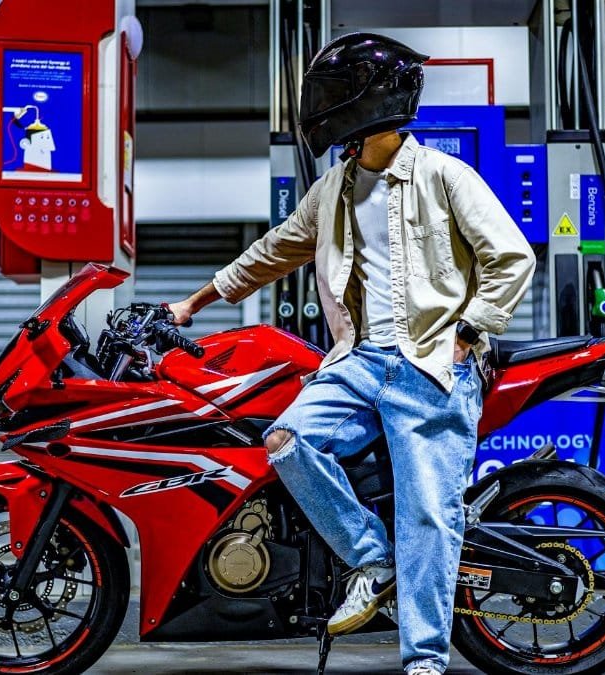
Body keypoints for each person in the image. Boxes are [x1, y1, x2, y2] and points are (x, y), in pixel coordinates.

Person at [167, 32, 535, 675]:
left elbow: (513, 258)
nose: (325, 110)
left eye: (335, 95)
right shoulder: (334, 187)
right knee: (287, 441)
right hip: (358, 361)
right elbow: (274, 250)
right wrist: (192, 305)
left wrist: (468, 333)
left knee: (429, 514)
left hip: (430, 366)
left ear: (371, 102)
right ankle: (373, 558)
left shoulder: (445, 176)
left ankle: (424, 660)